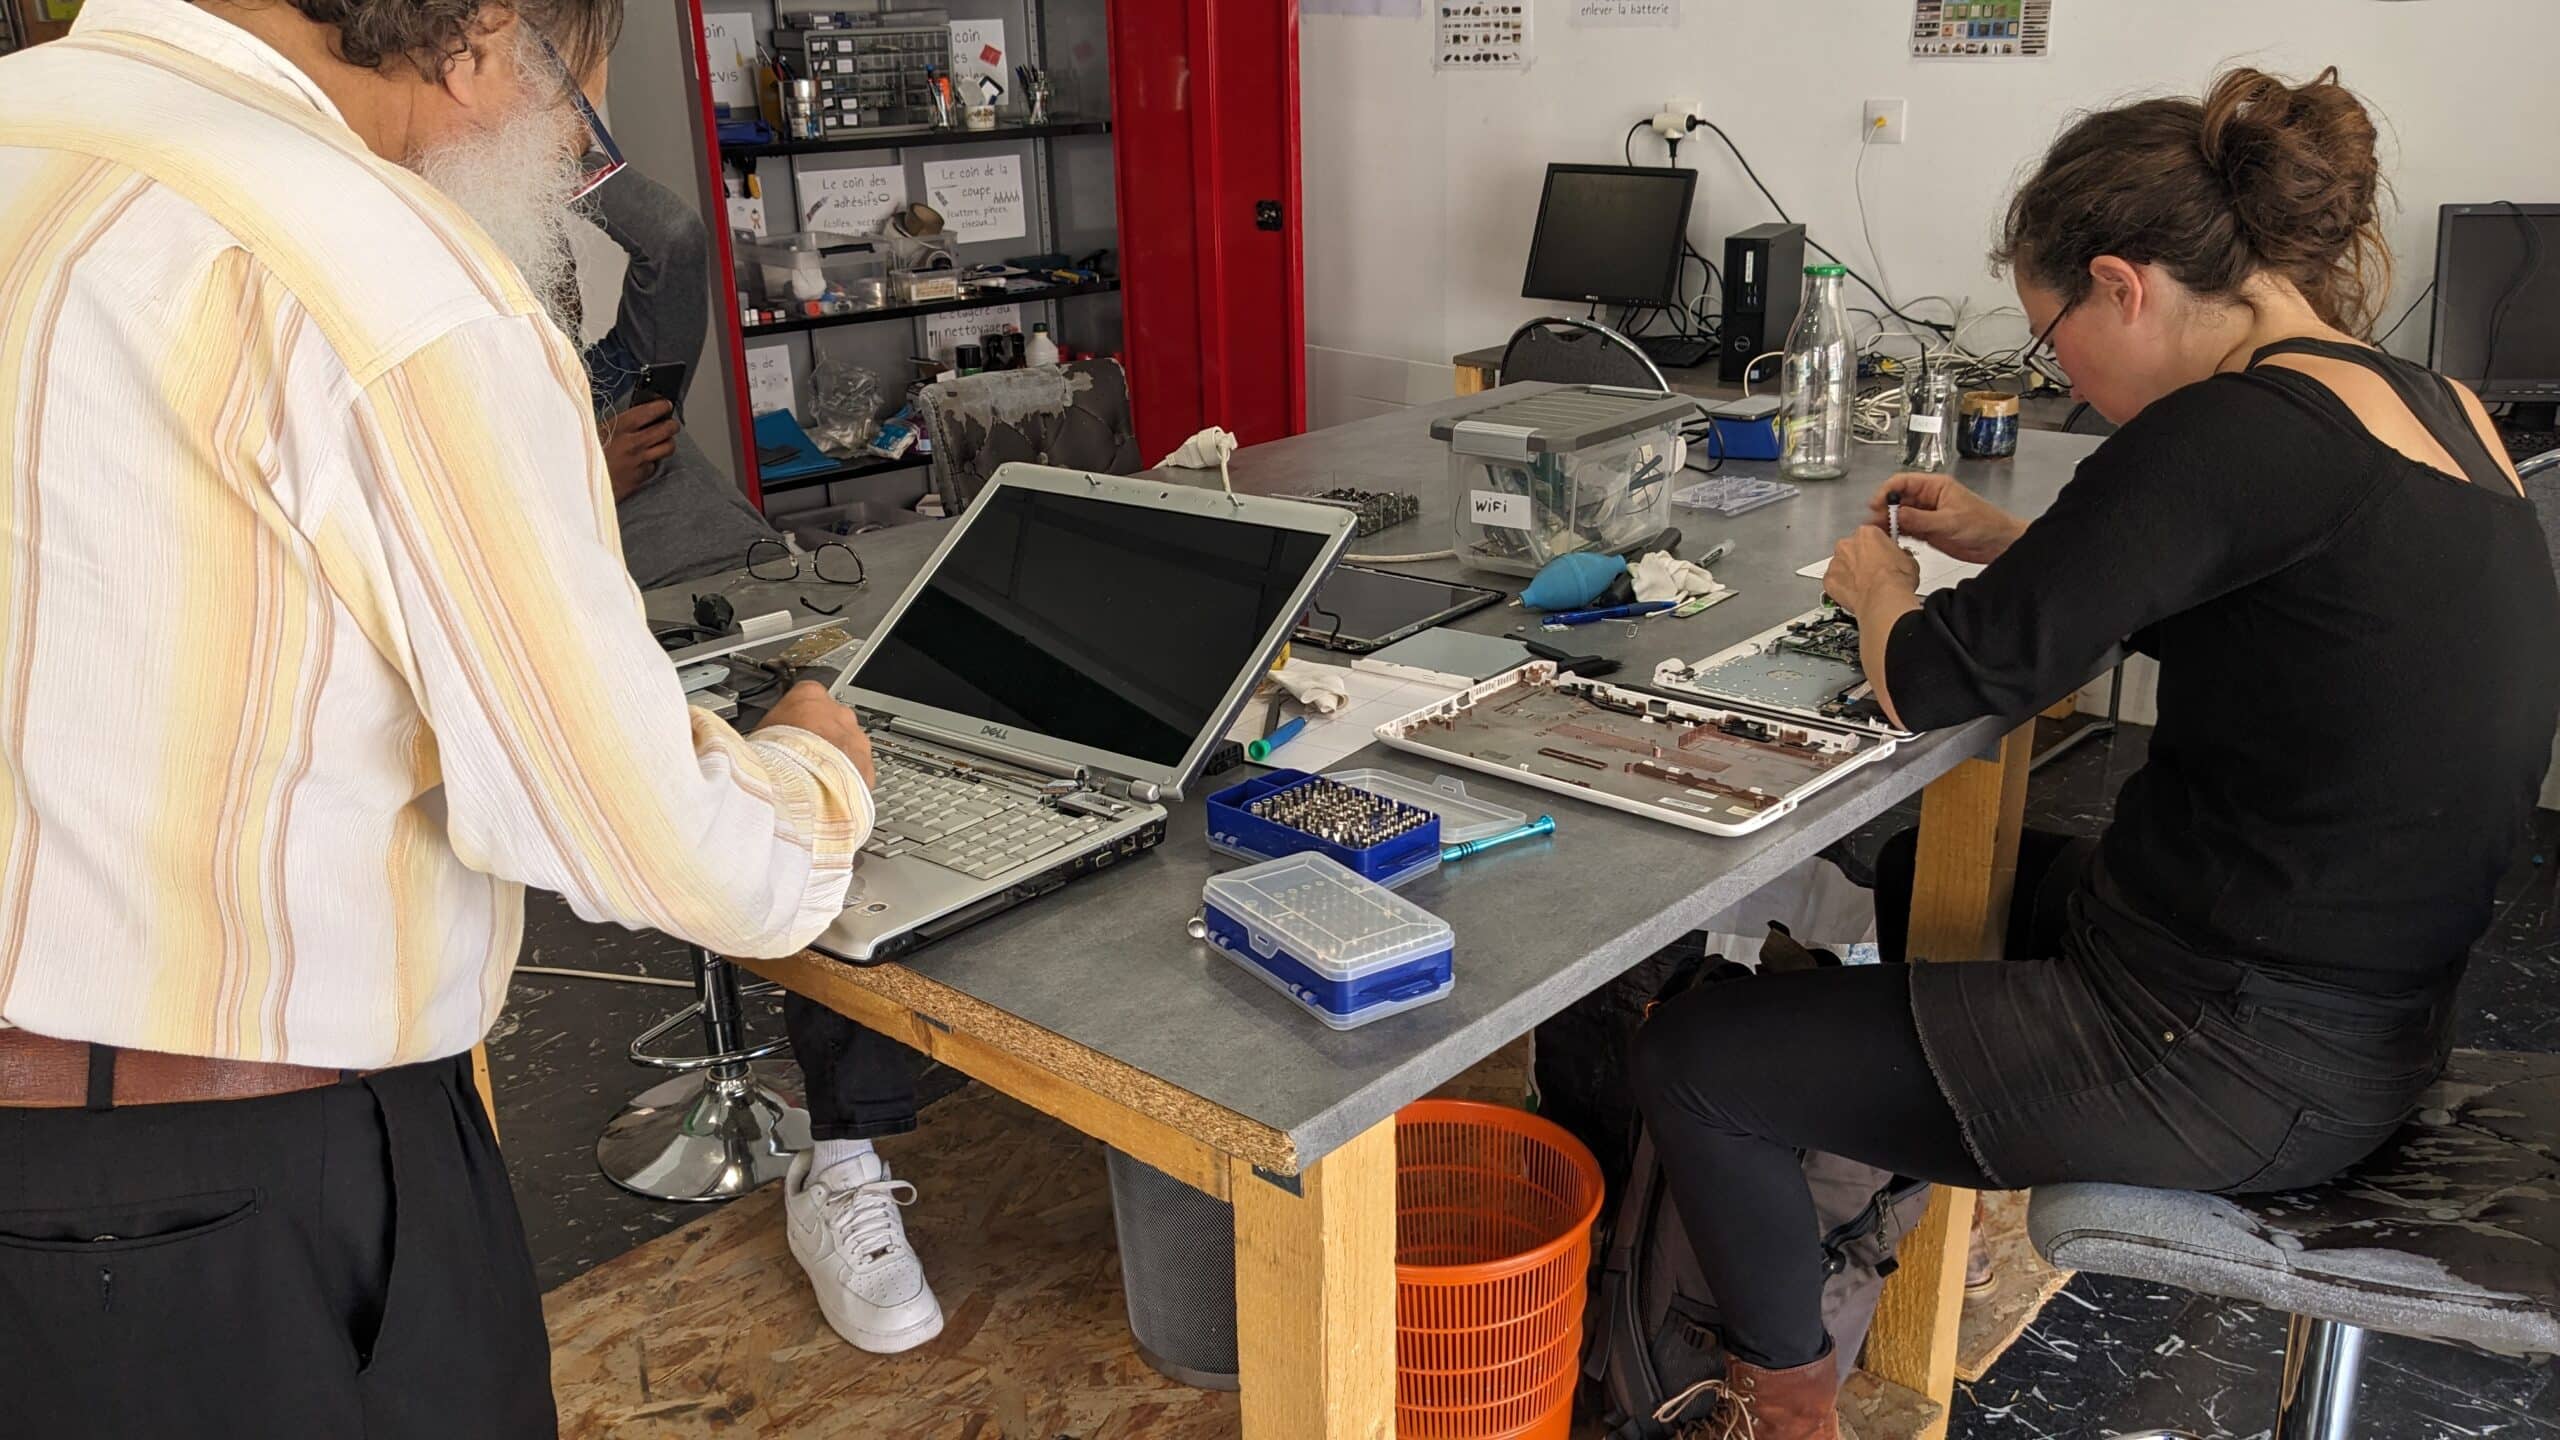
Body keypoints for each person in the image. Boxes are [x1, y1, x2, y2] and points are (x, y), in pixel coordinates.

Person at [1630, 66, 2560, 1440]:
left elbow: (1936, 678)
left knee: (1698, 1059)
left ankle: (1787, 1392)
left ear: (2121, 285)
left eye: (2047, 333)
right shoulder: (2429, 405)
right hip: (2365, 1017)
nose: (2054, 369)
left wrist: (1876, 579)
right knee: (1917, 876)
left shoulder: (2222, 433)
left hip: (2232, 1064)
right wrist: (2018, 548)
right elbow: (2289, 634)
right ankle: (1862, 1155)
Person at [0, 0, 882, 1435]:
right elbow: (652, 845)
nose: (561, 159)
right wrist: (813, 773)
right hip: (216, 1201)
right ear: (480, 34)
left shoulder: (29, 125)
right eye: (576, 113)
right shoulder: (378, 274)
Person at [577, 170, 945, 1355]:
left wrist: (556, 108)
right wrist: (579, 468)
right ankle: (843, 1154)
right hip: (607, 606)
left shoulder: (585, 336)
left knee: (898, 745)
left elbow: (674, 237)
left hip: (739, 569)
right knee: (784, 810)